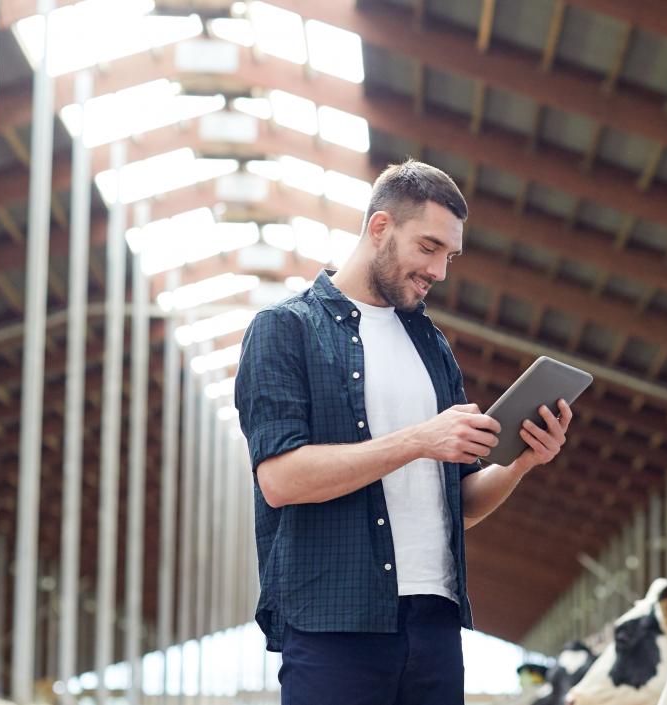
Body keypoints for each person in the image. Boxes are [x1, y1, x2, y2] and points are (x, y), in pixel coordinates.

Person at [234, 159, 575, 705]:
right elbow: (281, 479)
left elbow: (458, 505)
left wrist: (521, 461)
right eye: (428, 247)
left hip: (434, 621)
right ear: (379, 227)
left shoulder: (432, 346)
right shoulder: (286, 329)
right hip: (334, 623)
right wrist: (418, 440)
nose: (439, 270)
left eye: (449, 255)